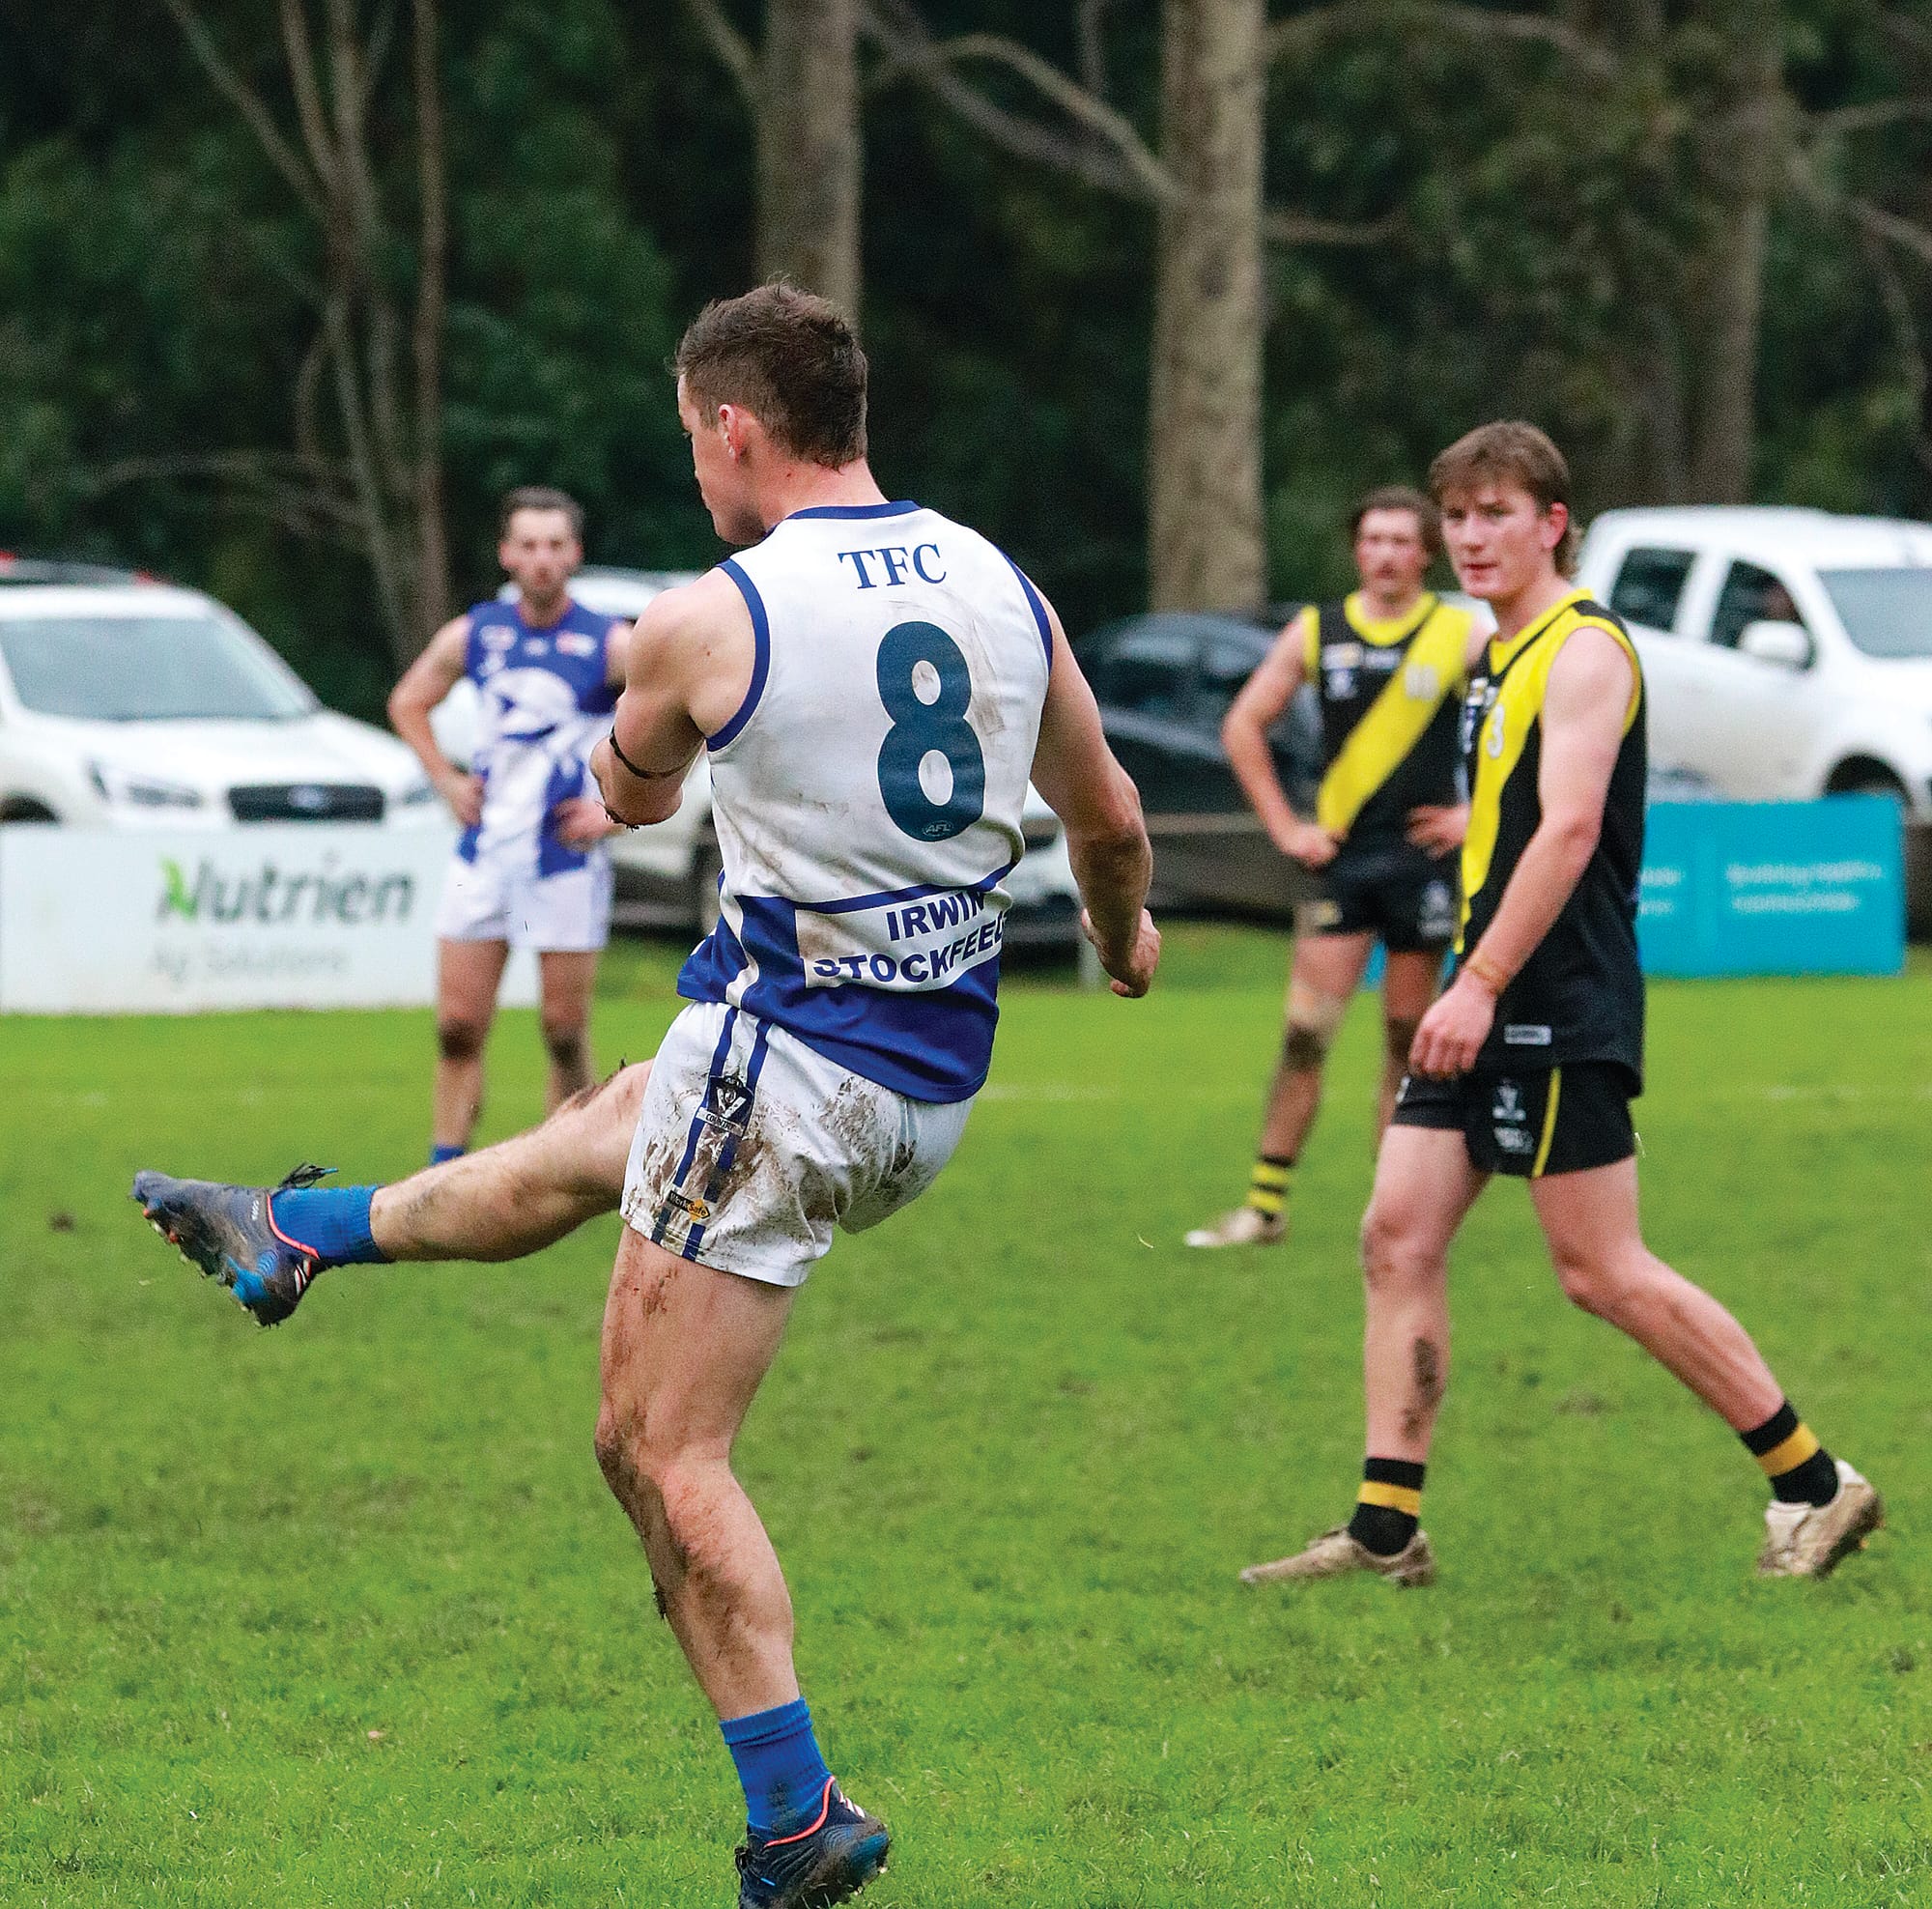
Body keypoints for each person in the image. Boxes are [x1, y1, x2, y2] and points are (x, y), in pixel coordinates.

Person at [134, 283, 1160, 1909]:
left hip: (788, 1070)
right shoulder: (996, 581)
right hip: (930, 1085)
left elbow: (629, 789)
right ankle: (297, 1232)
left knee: (657, 1450)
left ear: (736, 428)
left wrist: (629, 774)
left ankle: (796, 1818)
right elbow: (1108, 822)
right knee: (599, 1129)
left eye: (693, 439)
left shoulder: (707, 616)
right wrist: (1124, 939)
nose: (694, 469)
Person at [1238, 421, 1882, 1588]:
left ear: (1550, 524)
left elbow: (1572, 830)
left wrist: (1480, 983)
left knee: (1599, 1269)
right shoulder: (1497, 650)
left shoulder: (1581, 649)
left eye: (1495, 513)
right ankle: (1385, 1526)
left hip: (1549, 995)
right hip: (1483, 992)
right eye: (1456, 515)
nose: (1470, 536)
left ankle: (1812, 1480)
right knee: (1394, 1233)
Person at [1186, 488, 1480, 1249]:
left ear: (1426, 554)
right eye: (1373, 539)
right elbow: (1243, 725)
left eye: (1401, 541)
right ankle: (1264, 1206)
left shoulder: (1461, 633)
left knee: (1407, 1037)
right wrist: (1286, 828)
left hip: (1422, 864)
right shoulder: (1319, 630)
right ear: (1356, 550)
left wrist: (1477, 813)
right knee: (1305, 1032)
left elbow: (1526, 724)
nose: (1385, 554)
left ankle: (1395, 1212)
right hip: (1343, 863)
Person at [387, 488, 631, 1163]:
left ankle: (569, 1167)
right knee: (457, 1025)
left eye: (555, 544)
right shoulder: (477, 633)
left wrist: (617, 810)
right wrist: (446, 778)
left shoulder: (610, 641)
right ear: (506, 554)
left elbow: (684, 712)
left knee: (562, 1030)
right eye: (528, 545)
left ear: (574, 554)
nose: (541, 558)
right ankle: (445, 1169)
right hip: (485, 855)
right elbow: (408, 701)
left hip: (564, 858)